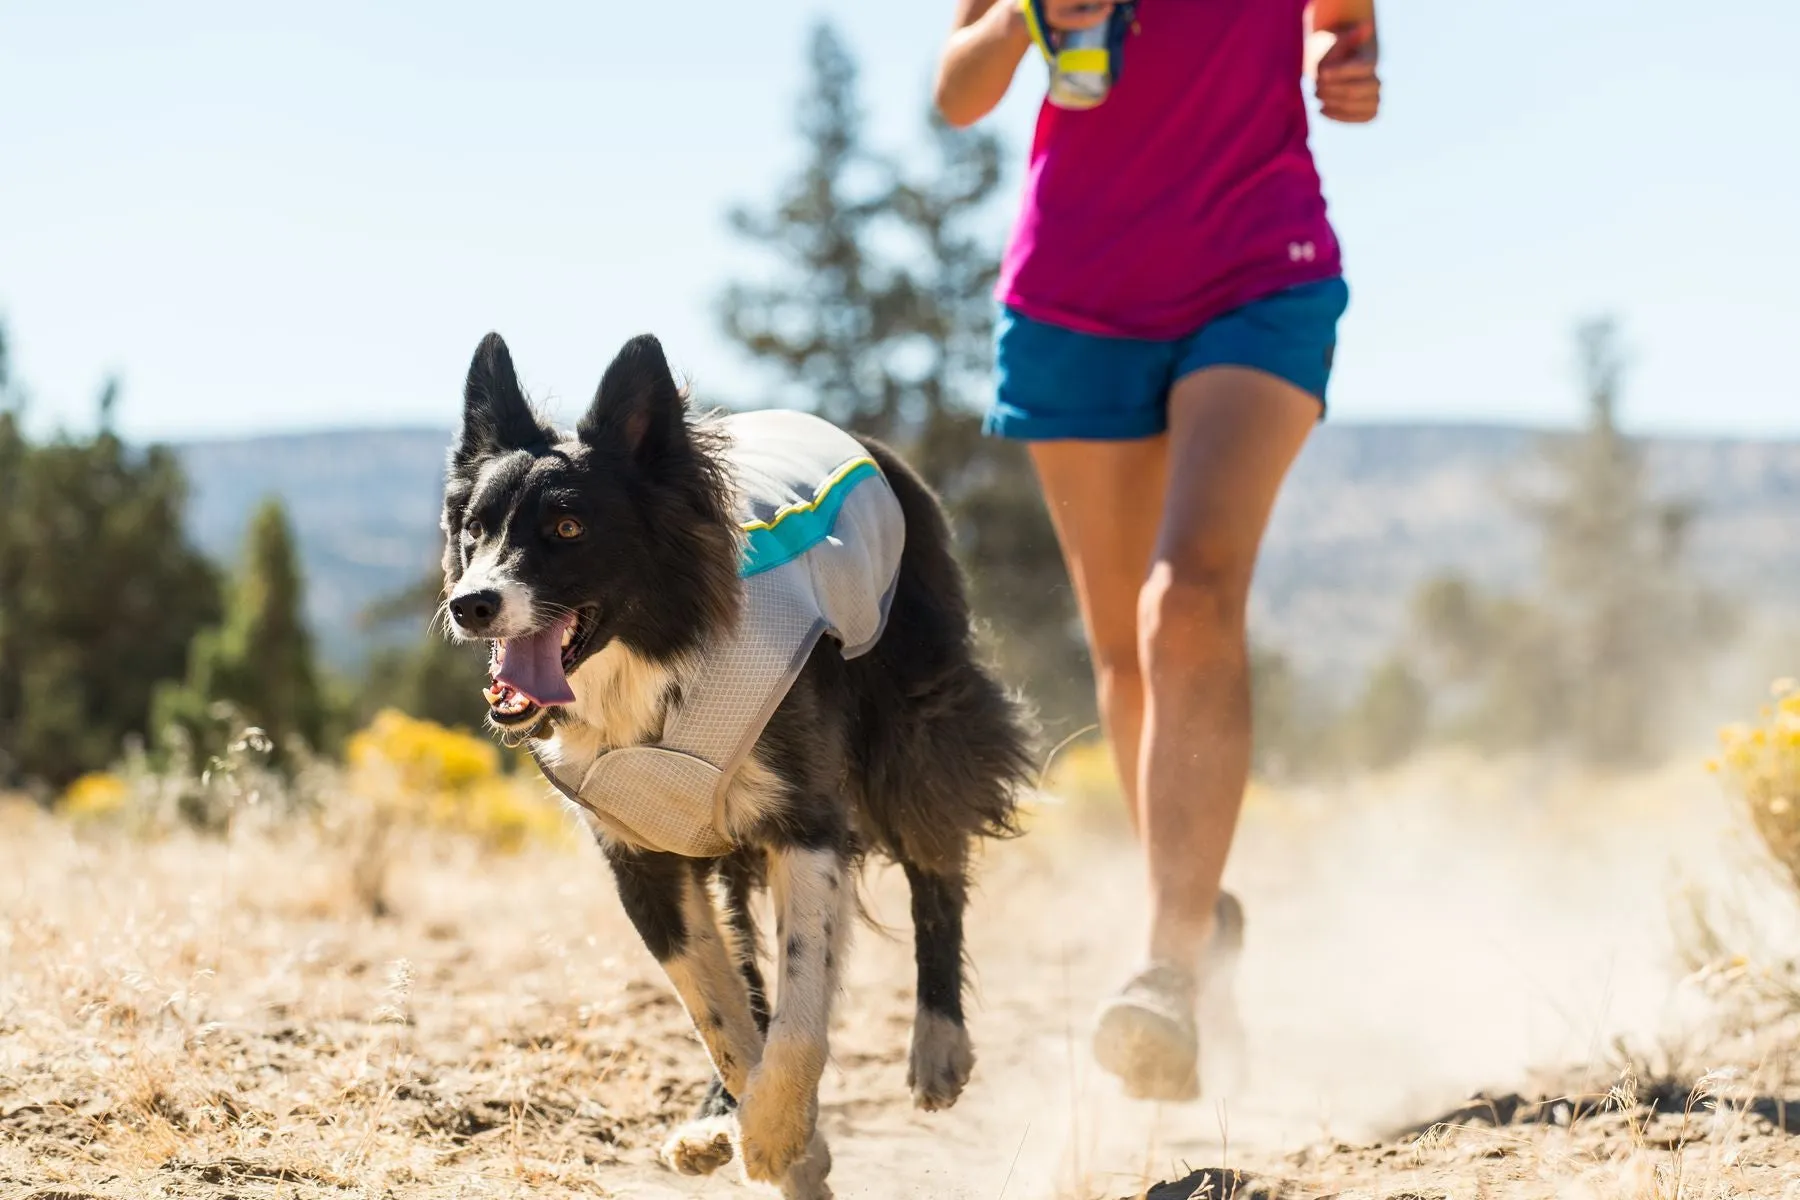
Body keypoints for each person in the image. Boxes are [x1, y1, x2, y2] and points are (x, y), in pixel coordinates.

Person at [934, 0, 1381, 1101]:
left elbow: (1346, 22)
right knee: (1126, 653)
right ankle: (1200, 925)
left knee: (1187, 602)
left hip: (1259, 271)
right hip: (1074, 299)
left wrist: (1342, 63)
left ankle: (1167, 965)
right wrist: (1033, 19)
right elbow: (958, 91)